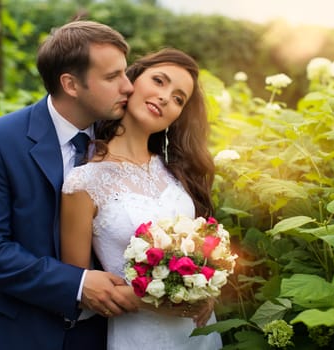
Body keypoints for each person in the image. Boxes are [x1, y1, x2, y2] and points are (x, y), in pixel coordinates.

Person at [0, 20, 139, 350]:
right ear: (71, 84)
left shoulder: (125, 134)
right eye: (112, 77)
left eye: (125, 73)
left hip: (104, 335)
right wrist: (77, 284)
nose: (128, 87)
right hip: (15, 333)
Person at [60, 48, 223, 349]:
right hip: (139, 335)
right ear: (132, 81)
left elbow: (201, 252)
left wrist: (208, 287)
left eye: (178, 99)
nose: (165, 97)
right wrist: (165, 302)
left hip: (199, 334)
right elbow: (80, 288)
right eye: (159, 81)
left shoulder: (178, 173)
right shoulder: (83, 181)